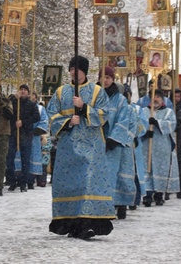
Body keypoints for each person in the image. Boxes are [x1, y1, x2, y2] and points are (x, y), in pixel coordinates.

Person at [46, 55, 114, 240]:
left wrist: (84, 108)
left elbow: (105, 114)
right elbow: (50, 115)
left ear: (85, 71)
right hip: (68, 148)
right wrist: (68, 121)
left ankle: (88, 224)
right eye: (72, 68)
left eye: (78, 68)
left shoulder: (97, 91)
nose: (74, 72)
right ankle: (71, 223)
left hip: (91, 147)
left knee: (87, 183)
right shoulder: (61, 92)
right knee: (70, 185)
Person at [100, 68, 135, 220]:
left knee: (112, 175)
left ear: (112, 79)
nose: (105, 80)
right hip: (96, 142)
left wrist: (113, 139)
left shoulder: (120, 100)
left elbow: (123, 120)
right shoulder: (94, 96)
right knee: (98, 176)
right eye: (102, 77)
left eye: (108, 77)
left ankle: (116, 205)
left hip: (113, 143)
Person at [141, 89, 177, 207]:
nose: (155, 99)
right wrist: (145, 133)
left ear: (162, 99)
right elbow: (138, 125)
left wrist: (157, 123)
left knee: (160, 169)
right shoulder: (143, 111)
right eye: (153, 96)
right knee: (147, 169)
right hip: (147, 146)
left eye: (158, 97)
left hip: (162, 146)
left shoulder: (168, 112)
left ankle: (159, 194)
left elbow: (172, 124)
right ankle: (147, 195)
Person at [6, 84, 40, 192]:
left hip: (26, 134)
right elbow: (7, 109)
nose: (23, 91)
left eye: (25, 90)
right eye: (21, 89)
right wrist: (13, 98)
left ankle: (23, 182)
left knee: (25, 160)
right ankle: (12, 181)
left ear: (28, 93)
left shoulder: (31, 104)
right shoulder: (15, 102)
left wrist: (23, 122)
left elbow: (36, 117)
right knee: (10, 158)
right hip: (13, 134)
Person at [29, 92, 50, 188]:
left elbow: (44, 121)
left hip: (37, 136)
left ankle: (39, 179)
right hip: (25, 134)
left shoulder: (41, 109)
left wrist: (37, 131)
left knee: (38, 157)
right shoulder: (22, 106)